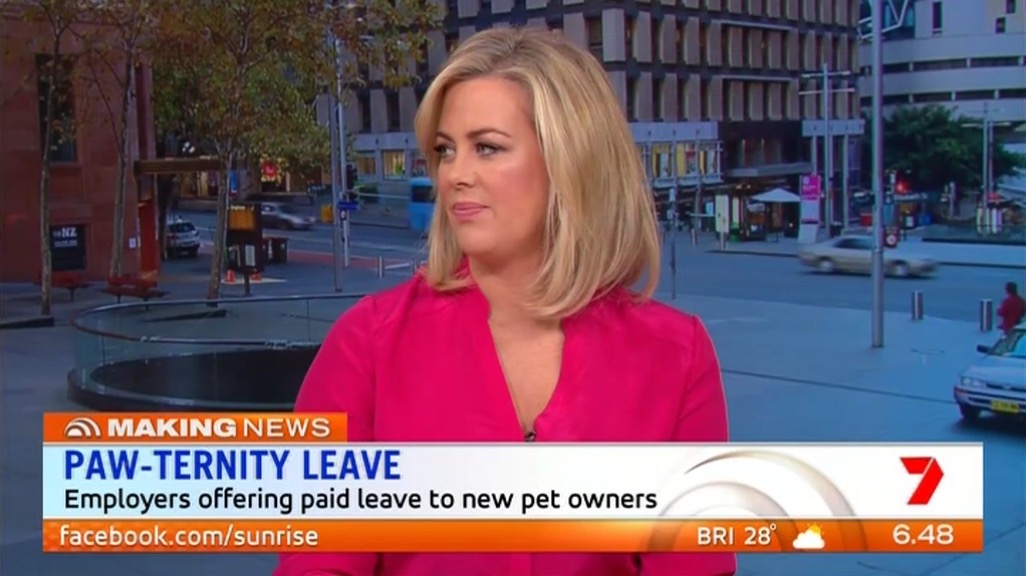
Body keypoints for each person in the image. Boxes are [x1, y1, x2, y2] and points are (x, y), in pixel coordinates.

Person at [275, 27, 734, 576]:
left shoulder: (675, 355)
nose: (455, 175)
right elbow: (319, 560)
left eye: (487, 148)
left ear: (569, 161)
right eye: (445, 150)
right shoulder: (368, 345)